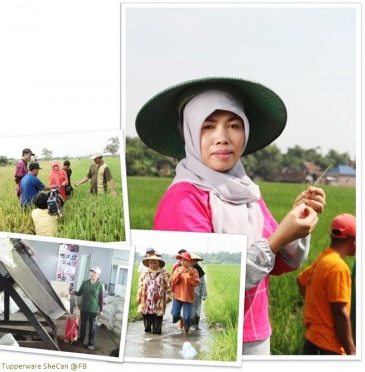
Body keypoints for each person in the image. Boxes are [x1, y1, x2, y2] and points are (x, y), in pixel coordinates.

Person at [135, 77, 326, 354]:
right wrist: (277, 239)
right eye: (208, 126)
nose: (222, 137)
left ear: (245, 132)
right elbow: (208, 277)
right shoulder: (184, 199)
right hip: (214, 336)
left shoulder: (248, 192)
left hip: (256, 332)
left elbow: (280, 264)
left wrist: (296, 220)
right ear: (189, 132)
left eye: (233, 125)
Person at [297, 213, 356, 355]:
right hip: (329, 348)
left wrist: (317, 306)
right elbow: (340, 313)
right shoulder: (338, 267)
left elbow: (301, 280)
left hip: (312, 341)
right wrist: (351, 352)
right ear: (353, 240)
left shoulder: (323, 259)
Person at [71, 266, 104, 350]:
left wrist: (101, 309)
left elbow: (101, 298)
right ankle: (81, 340)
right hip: (84, 308)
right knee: (83, 325)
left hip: (93, 309)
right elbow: (79, 293)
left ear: (98, 275)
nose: (92, 274)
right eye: (91, 272)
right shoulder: (85, 283)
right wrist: (73, 291)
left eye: (94, 273)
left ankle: (91, 343)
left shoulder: (100, 285)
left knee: (92, 327)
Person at [136, 256, 171, 334]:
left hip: (159, 301)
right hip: (147, 301)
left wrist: (168, 296)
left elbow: (168, 286)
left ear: (158, 264)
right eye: (151, 263)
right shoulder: (144, 274)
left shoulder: (164, 274)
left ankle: (156, 337)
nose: (152, 265)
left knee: (157, 326)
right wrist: (138, 296)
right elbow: (140, 286)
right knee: (147, 327)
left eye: (155, 263)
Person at [170, 251, 200, 334]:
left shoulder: (194, 271)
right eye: (182, 260)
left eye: (186, 260)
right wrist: (178, 274)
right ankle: (181, 319)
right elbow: (173, 281)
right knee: (174, 314)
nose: (183, 262)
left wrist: (190, 276)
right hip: (178, 296)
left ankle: (186, 334)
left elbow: (195, 284)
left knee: (187, 317)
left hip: (188, 297)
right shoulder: (177, 269)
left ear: (190, 261)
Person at [190, 253, 207, 330]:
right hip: (188, 293)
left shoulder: (200, 270)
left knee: (197, 309)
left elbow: (203, 283)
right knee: (189, 309)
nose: (192, 262)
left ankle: (196, 324)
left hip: (197, 293)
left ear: (196, 261)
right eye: (190, 261)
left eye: (193, 261)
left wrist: (204, 294)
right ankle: (190, 325)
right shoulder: (185, 270)